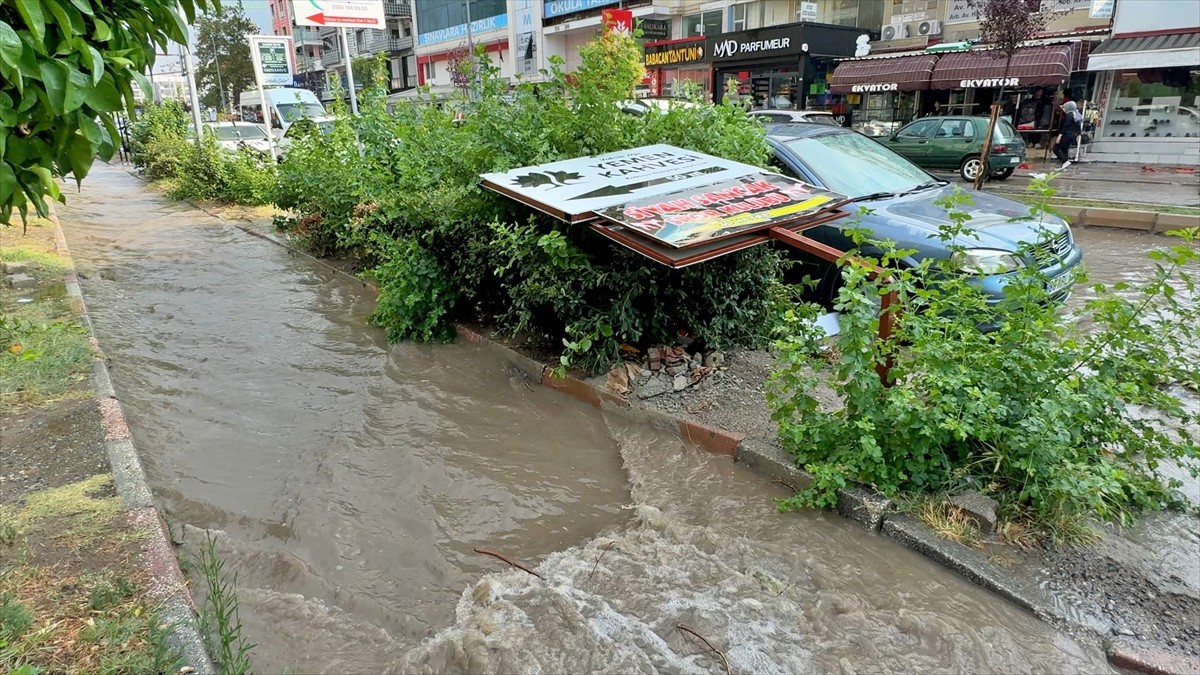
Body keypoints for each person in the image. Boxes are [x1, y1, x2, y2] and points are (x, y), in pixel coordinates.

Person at [1054, 100, 1083, 169]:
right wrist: (1078, 134)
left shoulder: (1069, 115)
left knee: (1056, 148)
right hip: (1073, 135)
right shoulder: (1076, 115)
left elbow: (1065, 126)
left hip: (1067, 134)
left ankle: (1065, 161)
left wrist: (1060, 135)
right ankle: (1064, 165)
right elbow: (1078, 126)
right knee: (1065, 149)